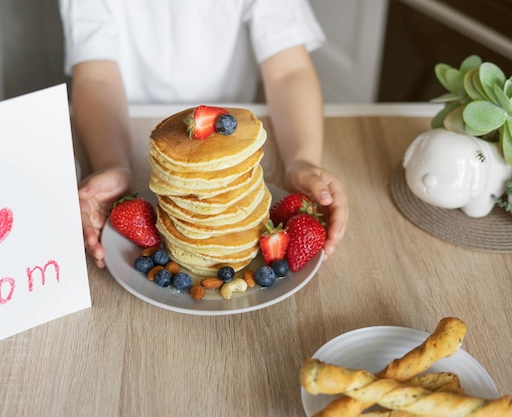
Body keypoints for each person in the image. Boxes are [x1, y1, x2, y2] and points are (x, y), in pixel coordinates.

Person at [59, 0, 348, 268]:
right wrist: (113, 163)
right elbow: (96, 77)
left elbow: (289, 70)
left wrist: (302, 160)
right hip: (128, 132)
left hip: (235, 148)